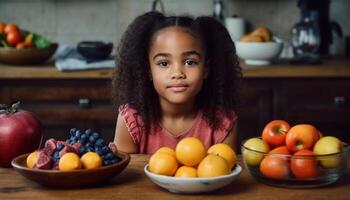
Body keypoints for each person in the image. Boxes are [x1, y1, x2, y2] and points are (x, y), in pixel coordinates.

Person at [112, 11, 242, 154]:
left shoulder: (224, 123)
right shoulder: (132, 120)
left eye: (190, 62)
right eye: (163, 63)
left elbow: (224, 171)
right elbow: (125, 172)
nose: (177, 73)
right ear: (148, 70)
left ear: (206, 69)